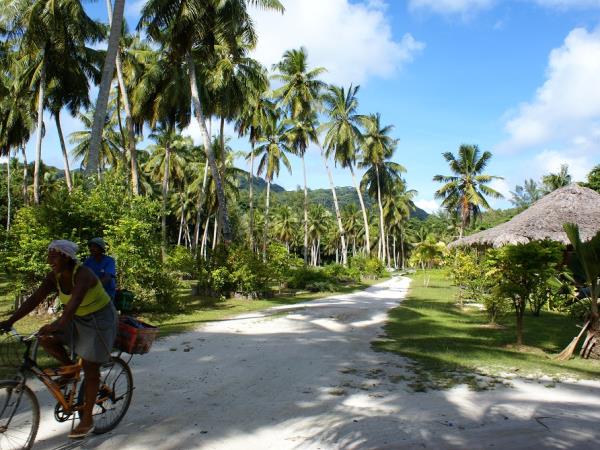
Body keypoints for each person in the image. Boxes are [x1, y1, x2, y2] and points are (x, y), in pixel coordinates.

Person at [0, 240, 118, 439]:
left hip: (100, 319)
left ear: (66, 257)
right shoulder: (53, 277)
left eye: (53, 256)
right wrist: (9, 320)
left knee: (90, 369)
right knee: (46, 338)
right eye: (48, 256)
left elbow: (72, 306)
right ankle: (70, 370)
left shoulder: (83, 275)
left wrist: (55, 325)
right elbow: (34, 299)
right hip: (78, 317)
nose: (49, 261)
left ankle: (87, 420)